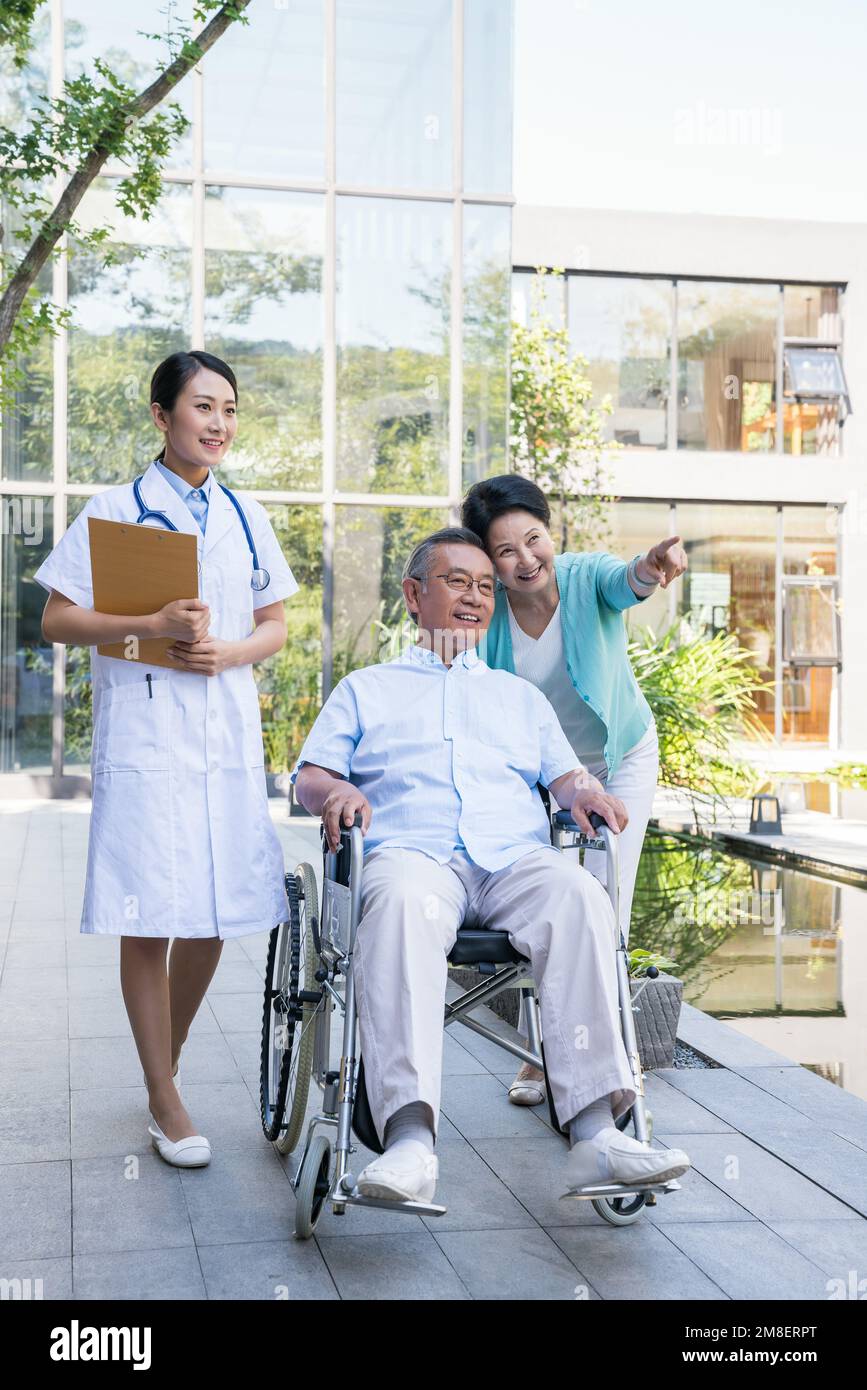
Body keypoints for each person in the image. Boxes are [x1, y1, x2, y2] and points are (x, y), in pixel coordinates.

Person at [290, 527, 690, 1205]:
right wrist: (338, 790)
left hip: (511, 859)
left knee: (578, 895)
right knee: (398, 905)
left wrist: (584, 791)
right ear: (414, 596)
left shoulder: (518, 698)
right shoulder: (367, 689)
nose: (474, 597)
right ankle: (411, 1143)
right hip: (413, 856)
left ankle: (596, 1135)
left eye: (483, 586)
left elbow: (564, 781)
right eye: (456, 582)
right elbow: (310, 778)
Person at [34, 350, 299, 1168]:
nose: (218, 424)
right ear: (161, 416)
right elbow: (56, 620)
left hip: (221, 737)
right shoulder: (114, 511)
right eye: (201, 407)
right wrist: (147, 620)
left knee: (216, 913)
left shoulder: (246, 515)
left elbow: (275, 623)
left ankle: (164, 1063)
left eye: (228, 409)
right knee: (150, 914)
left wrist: (231, 654)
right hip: (147, 738)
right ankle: (164, 1096)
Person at [461, 475, 687, 1107]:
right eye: (505, 552)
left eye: (534, 539)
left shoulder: (586, 578)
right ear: (489, 562)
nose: (526, 560)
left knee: (607, 897)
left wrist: (653, 566)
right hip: (542, 773)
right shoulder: (491, 618)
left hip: (618, 762)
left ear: (550, 534)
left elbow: (631, 582)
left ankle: (611, 1057)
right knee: (551, 903)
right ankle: (540, 1057)